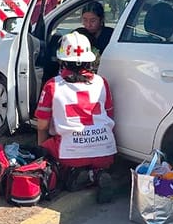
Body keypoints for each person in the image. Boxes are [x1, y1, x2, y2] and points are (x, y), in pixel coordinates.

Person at [34, 31, 116, 203]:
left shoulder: (52, 85)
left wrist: (42, 155)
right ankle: (97, 173)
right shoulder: (102, 83)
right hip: (106, 151)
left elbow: (42, 125)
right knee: (85, 158)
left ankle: (78, 174)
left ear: (62, 60)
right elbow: (109, 116)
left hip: (70, 152)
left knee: (59, 169)